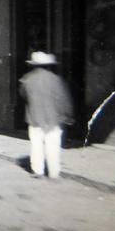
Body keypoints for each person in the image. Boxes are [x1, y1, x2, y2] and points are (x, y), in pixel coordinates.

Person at [19, 51, 73, 179]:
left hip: (35, 118)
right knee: (53, 146)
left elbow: (23, 95)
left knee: (36, 145)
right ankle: (54, 172)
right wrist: (67, 115)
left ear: (33, 65)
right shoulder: (56, 80)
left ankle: (38, 170)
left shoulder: (27, 80)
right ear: (48, 65)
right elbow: (63, 99)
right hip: (53, 119)